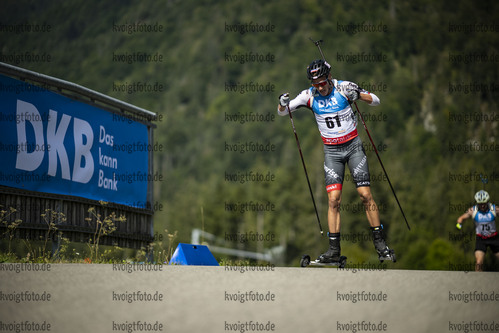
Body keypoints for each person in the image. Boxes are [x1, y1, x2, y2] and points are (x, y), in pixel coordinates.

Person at [277, 59, 394, 263]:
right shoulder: (308, 95)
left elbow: (376, 100)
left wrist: (358, 95)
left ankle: (380, 245)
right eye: (316, 84)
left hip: (353, 147)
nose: (320, 87)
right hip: (332, 152)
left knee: (365, 195)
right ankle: (333, 251)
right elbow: (282, 112)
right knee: (333, 200)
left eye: (322, 82)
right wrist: (282, 102)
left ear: (329, 77)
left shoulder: (344, 87)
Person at [456, 190, 499, 271]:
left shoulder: (494, 209)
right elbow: (461, 218)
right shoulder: (473, 210)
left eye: (484, 203)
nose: (482, 205)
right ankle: (477, 281)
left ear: (487, 202)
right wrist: (459, 224)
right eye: (480, 203)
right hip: (481, 239)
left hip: (494, 238)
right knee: (479, 262)